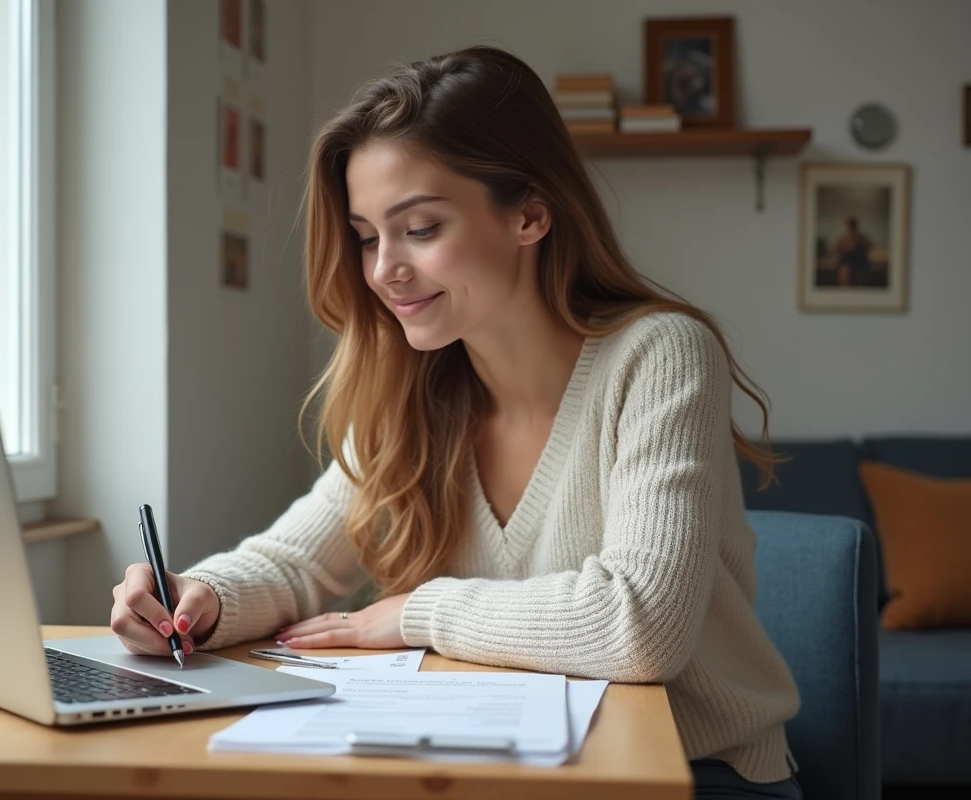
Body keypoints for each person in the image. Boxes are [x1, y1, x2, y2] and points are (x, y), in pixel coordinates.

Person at [111, 45, 802, 799]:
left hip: (692, 769)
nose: (382, 270)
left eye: (421, 228)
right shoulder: (407, 389)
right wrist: (197, 599)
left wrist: (418, 612)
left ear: (531, 213)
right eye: (369, 236)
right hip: (487, 764)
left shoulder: (660, 356)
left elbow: (638, 627)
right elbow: (297, 564)